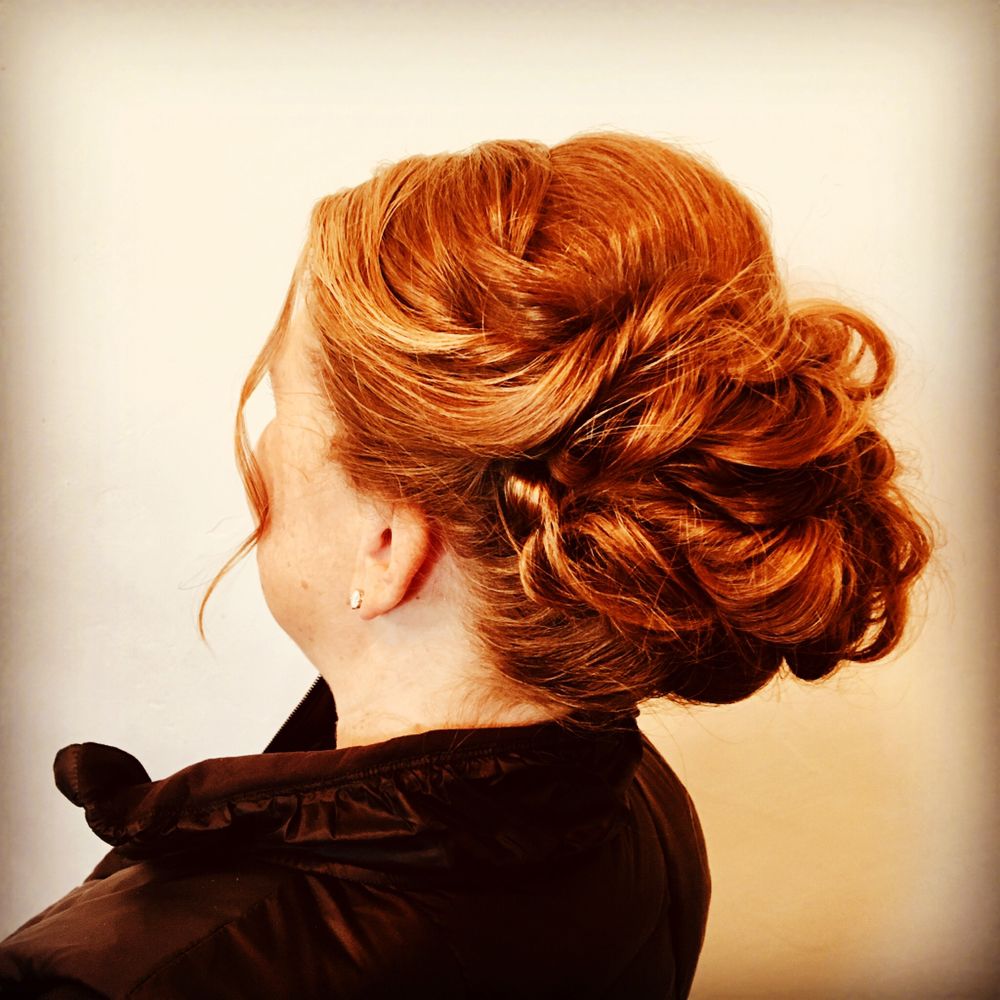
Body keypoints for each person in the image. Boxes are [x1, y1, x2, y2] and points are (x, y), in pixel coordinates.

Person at [0, 131, 934, 998]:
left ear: (388, 544)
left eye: (282, 402)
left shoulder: (139, 980)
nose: (266, 445)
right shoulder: (633, 801)